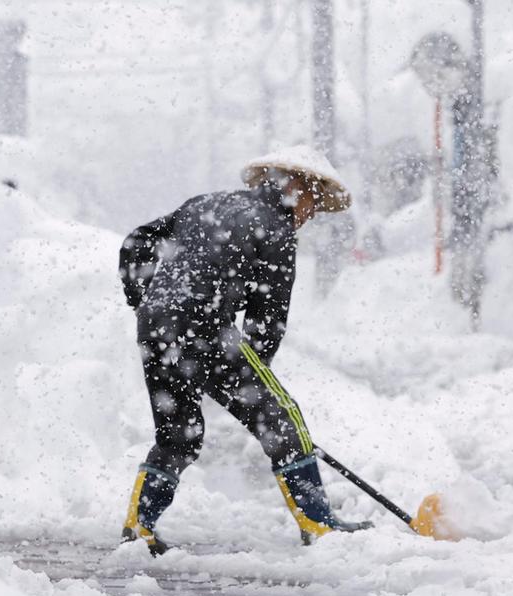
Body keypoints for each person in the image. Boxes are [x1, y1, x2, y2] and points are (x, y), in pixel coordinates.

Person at [117, 146, 369, 555]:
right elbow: (267, 320)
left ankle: (138, 524)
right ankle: (319, 524)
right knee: (283, 417)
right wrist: (252, 384)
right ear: (300, 189)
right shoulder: (277, 228)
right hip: (205, 328)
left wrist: (144, 301)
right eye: (314, 206)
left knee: (178, 434)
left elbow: (136, 242)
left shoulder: (205, 204)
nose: (310, 216)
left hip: (155, 327)